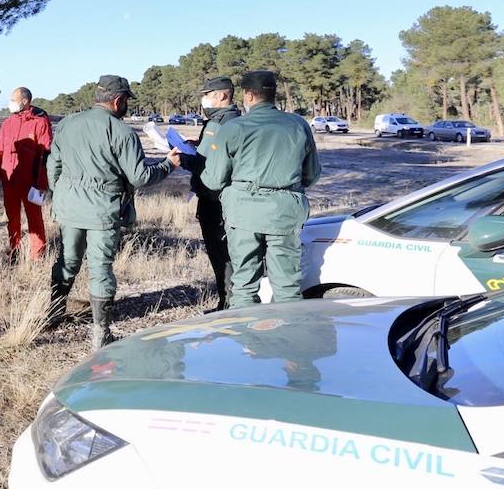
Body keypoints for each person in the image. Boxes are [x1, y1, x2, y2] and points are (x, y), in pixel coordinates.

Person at [47, 75, 183, 350]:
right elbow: (140, 177)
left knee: (67, 260)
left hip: (69, 206)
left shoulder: (67, 125)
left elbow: (53, 167)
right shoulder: (122, 133)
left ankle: (53, 314)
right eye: (126, 102)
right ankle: (100, 333)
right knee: (100, 269)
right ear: (118, 101)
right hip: (102, 209)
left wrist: (62, 194)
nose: (127, 107)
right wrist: (169, 165)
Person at [201, 70, 322, 307]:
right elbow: (312, 175)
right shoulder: (299, 125)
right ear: (273, 95)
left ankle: (246, 338)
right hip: (284, 213)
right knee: (287, 286)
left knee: (244, 286)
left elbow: (213, 180)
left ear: (247, 96)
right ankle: (287, 338)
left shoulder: (234, 128)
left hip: (244, 214)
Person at [182, 77, 244, 309]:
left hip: (215, 198)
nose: (203, 99)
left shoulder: (221, 123)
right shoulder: (230, 120)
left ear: (222, 95)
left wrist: (183, 159)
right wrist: (195, 145)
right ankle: (227, 301)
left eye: (207, 94)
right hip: (220, 197)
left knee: (222, 255)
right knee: (224, 253)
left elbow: (206, 164)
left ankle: (227, 305)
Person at [0, 86, 53, 261]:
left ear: (24, 101)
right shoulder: (8, 123)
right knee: (12, 218)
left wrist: (42, 183)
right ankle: (14, 250)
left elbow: (45, 154)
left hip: (32, 182)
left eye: (13, 100)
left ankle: (37, 255)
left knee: (35, 219)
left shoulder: (40, 122)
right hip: (9, 180)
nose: (10, 103)